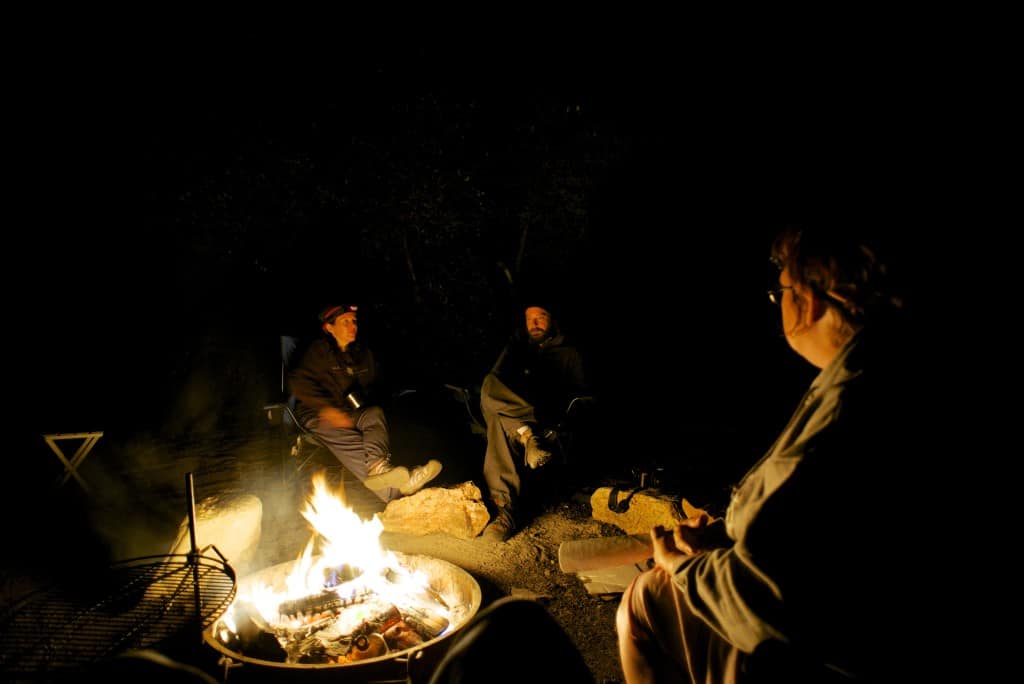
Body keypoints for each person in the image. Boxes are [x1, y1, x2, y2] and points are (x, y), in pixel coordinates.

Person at [616, 227, 935, 682]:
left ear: (810, 301)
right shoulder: (863, 370)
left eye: (780, 293)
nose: (777, 303)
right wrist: (725, 536)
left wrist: (683, 566)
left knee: (646, 597)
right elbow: (802, 530)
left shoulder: (850, 409)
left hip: (820, 651)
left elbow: (773, 595)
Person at [289, 303, 442, 502]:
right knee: (353, 441)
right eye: (345, 322)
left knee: (375, 414)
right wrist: (326, 409)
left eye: (354, 321)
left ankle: (378, 468)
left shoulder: (361, 354)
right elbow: (298, 382)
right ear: (329, 328)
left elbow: (374, 385)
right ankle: (397, 492)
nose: (352, 326)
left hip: (348, 412)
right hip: (316, 413)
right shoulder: (318, 351)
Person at [479, 300, 587, 542]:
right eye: (529, 319)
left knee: (499, 420)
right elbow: (494, 382)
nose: (534, 324)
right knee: (490, 386)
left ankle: (504, 510)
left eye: (541, 317)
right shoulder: (517, 348)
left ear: (553, 320)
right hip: (517, 415)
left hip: (547, 420)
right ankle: (527, 435)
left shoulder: (569, 353)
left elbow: (581, 397)